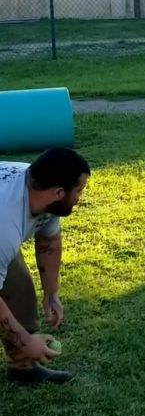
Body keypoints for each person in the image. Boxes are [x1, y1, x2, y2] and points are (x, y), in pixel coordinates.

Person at [0, 147, 90, 385]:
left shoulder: (43, 194)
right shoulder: (4, 224)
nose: (80, 198)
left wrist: (51, 294)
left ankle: (22, 368)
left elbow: (48, 241)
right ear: (59, 192)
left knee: (17, 287)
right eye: (79, 191)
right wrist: (28, 343)